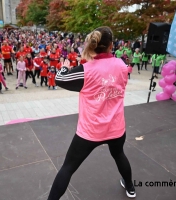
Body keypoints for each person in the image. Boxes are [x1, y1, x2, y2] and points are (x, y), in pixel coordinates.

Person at [48, 26, 135, 199]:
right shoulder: (122, 65)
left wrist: (64, 68)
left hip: (90, 131)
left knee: (68, 167)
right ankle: (130, 187)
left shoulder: (86, 70)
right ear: (111, 45)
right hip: (116, 128)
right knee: (119, 154)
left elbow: (60, 79)